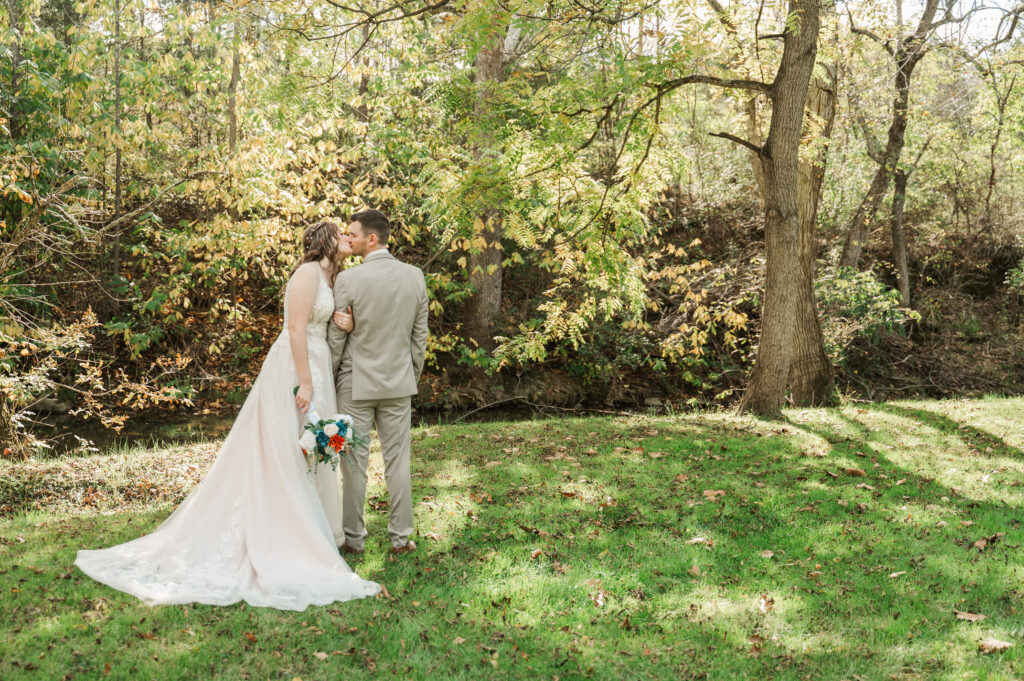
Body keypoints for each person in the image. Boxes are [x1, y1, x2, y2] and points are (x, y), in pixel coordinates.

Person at [74, 221, 380, 610]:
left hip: (318, 363)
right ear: (325, 240)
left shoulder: (333, 276)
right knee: (285, 448)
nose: (347, 239)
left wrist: (345, 325)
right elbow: (295, 329)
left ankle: (318, 532)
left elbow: (326, 323)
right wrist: (305, 382)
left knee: (314, 448)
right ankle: (282, 532)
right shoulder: (307, 273)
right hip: (295, 366)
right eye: (340, 234)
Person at [327, 209, 428, 556]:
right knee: (398, 461)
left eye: (353, 234)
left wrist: (330, 378)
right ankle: (401, 538)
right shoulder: (415, 277)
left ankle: (354, 540)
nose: (349, 239)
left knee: (353, 464)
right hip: (398, 382)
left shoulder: (347, 280)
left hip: (354, 384)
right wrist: (410, 376)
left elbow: (337, 338)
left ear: (372, 239)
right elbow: (419, 337)